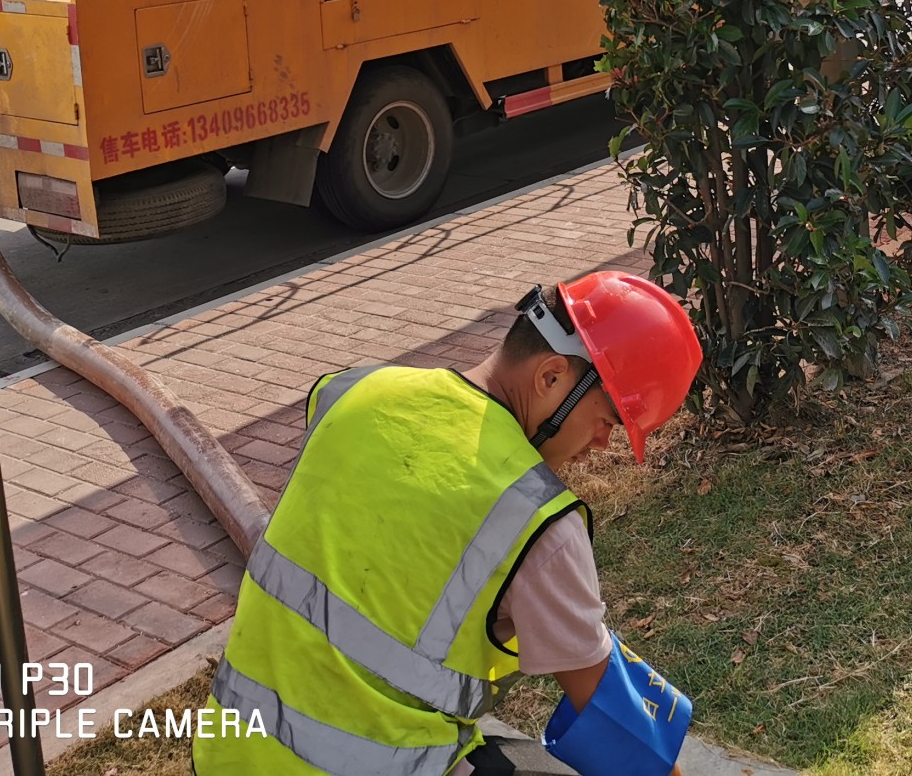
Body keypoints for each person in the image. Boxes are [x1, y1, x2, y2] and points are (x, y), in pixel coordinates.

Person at [195, 271, 703, 776]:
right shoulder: (535, 518)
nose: (601, 445)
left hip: (228, 757)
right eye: (607, 421)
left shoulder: (353, 391)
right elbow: (614, 721)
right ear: (551, 377)